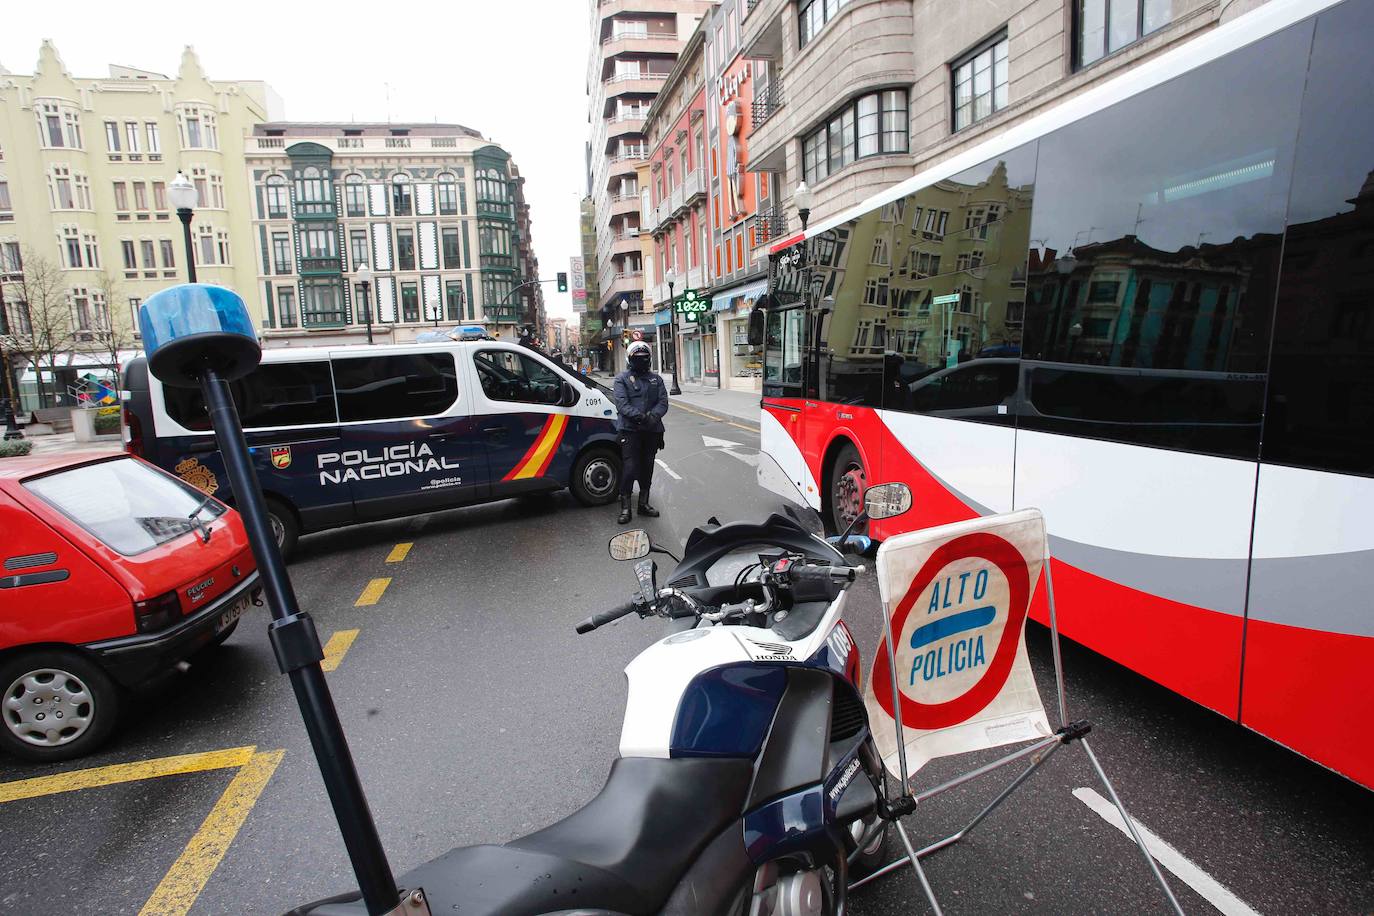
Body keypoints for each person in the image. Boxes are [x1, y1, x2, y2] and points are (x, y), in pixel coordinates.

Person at [611, 340, 669, 524]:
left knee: (647, 467)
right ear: (630, 359)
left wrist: (652, 417)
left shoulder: (656, 379)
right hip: (630, 431)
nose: (642, 361)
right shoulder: (621, 379)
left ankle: (643, 504)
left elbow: (663, 402)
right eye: (638, 358)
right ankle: (626, 507)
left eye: (645, 358)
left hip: (652, 431)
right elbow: (621, 404)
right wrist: (640, 417)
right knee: (630, 469)